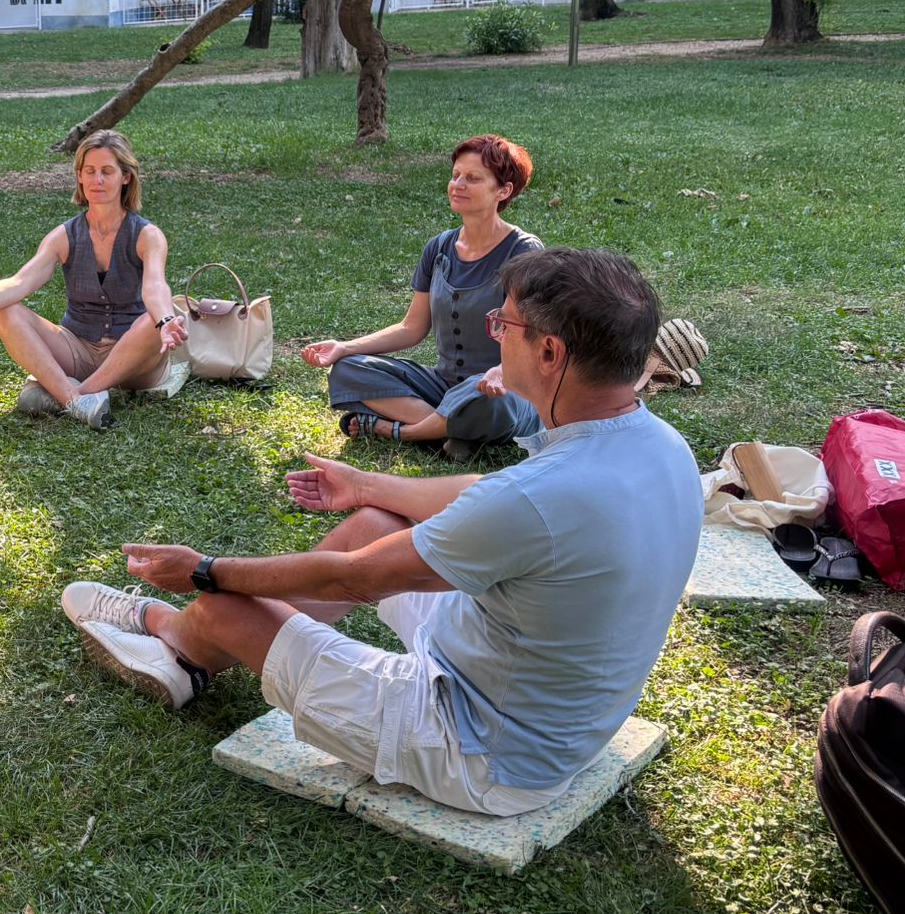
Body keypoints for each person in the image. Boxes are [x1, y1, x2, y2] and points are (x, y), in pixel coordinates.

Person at [62, 249, 701, 817]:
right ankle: (197, 653)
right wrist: (368, 487)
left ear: (551, 353)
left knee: (228, 604)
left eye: (502, 325)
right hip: (543, 702)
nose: (495, 336)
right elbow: (486, 495)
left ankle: (174, 637)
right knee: (374, 523)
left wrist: (204, 570)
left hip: (482, 756)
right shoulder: (659, 444)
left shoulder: (538, 497)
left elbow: (355, 579)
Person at [305, 135, 543, 459]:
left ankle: (404, 431)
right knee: (348, 368)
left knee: (485, 400)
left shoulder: (523, 251)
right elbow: (412, 328)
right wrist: (344, 347)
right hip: (443, 386)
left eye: (473, 178)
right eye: (456, 175)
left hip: (502, 388)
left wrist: (502, 371)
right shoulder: (439, 248)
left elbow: (534, 338)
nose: (458, 185)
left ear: (503, 190)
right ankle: (452, 432)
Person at [0, 131, 188, 430]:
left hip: (134, 361)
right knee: (8, 311)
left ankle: (71, 395)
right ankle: (76, 398)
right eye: (89, 171)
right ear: (79, 176)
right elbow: (20, 282)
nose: (97, 180)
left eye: (107, 171)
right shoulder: (64, 236)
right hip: (77, 349)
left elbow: (155, 286)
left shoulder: (147, 235)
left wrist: (165, 320)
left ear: (126, 177)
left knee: (151, 321)